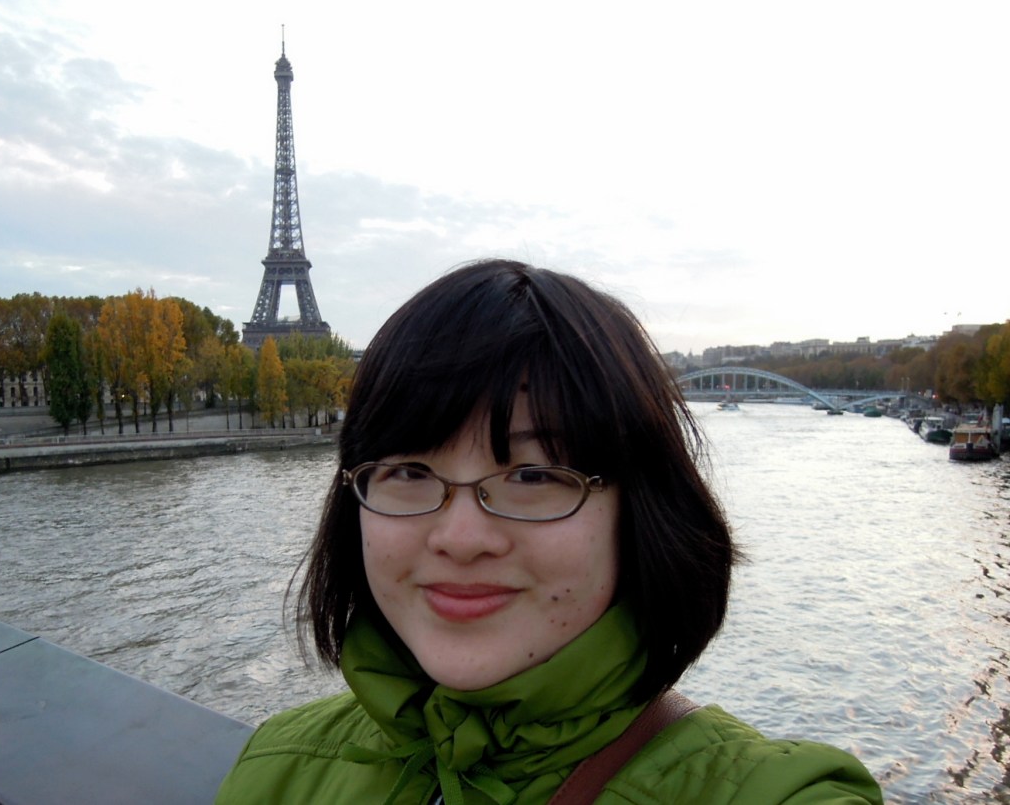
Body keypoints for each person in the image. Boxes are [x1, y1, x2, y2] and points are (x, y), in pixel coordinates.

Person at [216, 260, 882, 803]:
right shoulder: (276, 767)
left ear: (640, 508)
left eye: (534, 477)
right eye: (409, 470)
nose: (461, 536)